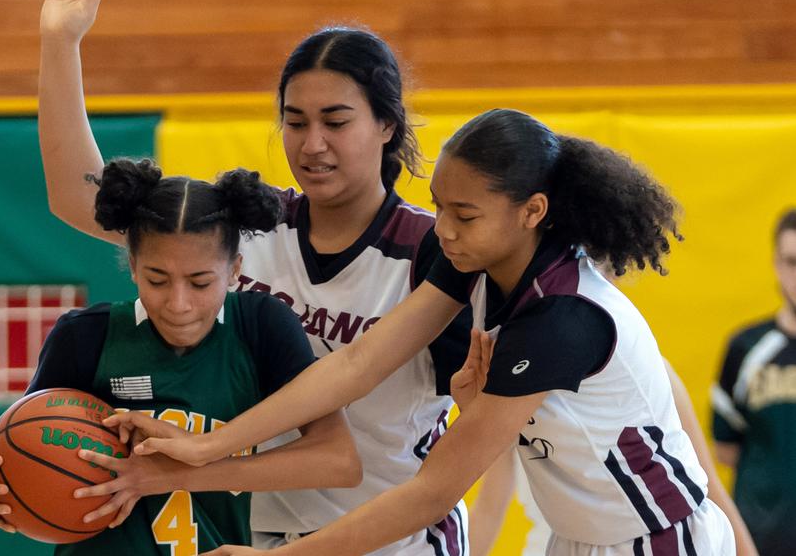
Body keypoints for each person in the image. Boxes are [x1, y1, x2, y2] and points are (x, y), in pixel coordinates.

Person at [114, 108, 738, 555]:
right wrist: (208, 445)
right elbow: (359, 363)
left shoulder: (561, 318)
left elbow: (434, 492)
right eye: (438, 205)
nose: (443, 228)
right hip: (573, 533)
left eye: (464, 214)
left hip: (657, 535)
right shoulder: (471, 259)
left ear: (533, 211)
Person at [37, 0, 474, 553]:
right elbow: (80, 198)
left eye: (335, 122)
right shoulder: (250, 221)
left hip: (388, 537)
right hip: (252, 536)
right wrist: (59, 41)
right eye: (295, 122)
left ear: (388, 124)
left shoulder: (434, 252)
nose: (312, 144)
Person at [0, 160, 362, 554]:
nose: (179, 303)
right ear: (132, 265)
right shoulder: (84, 335)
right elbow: (23, 450)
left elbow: (338, 460)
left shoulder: (261, 326)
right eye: (157, 279)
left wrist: (175, 475)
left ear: (234, 269)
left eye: (200, 282)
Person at [469, 358, 759, 556]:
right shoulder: (515, 371)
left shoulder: (647, 369)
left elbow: (709, 493)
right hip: (551, 546)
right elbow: (489, 509)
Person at [712, 207, 796, 556]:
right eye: (792, 262)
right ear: (777, 265)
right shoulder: (746, 349)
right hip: (762, 541)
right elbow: (725, 449)